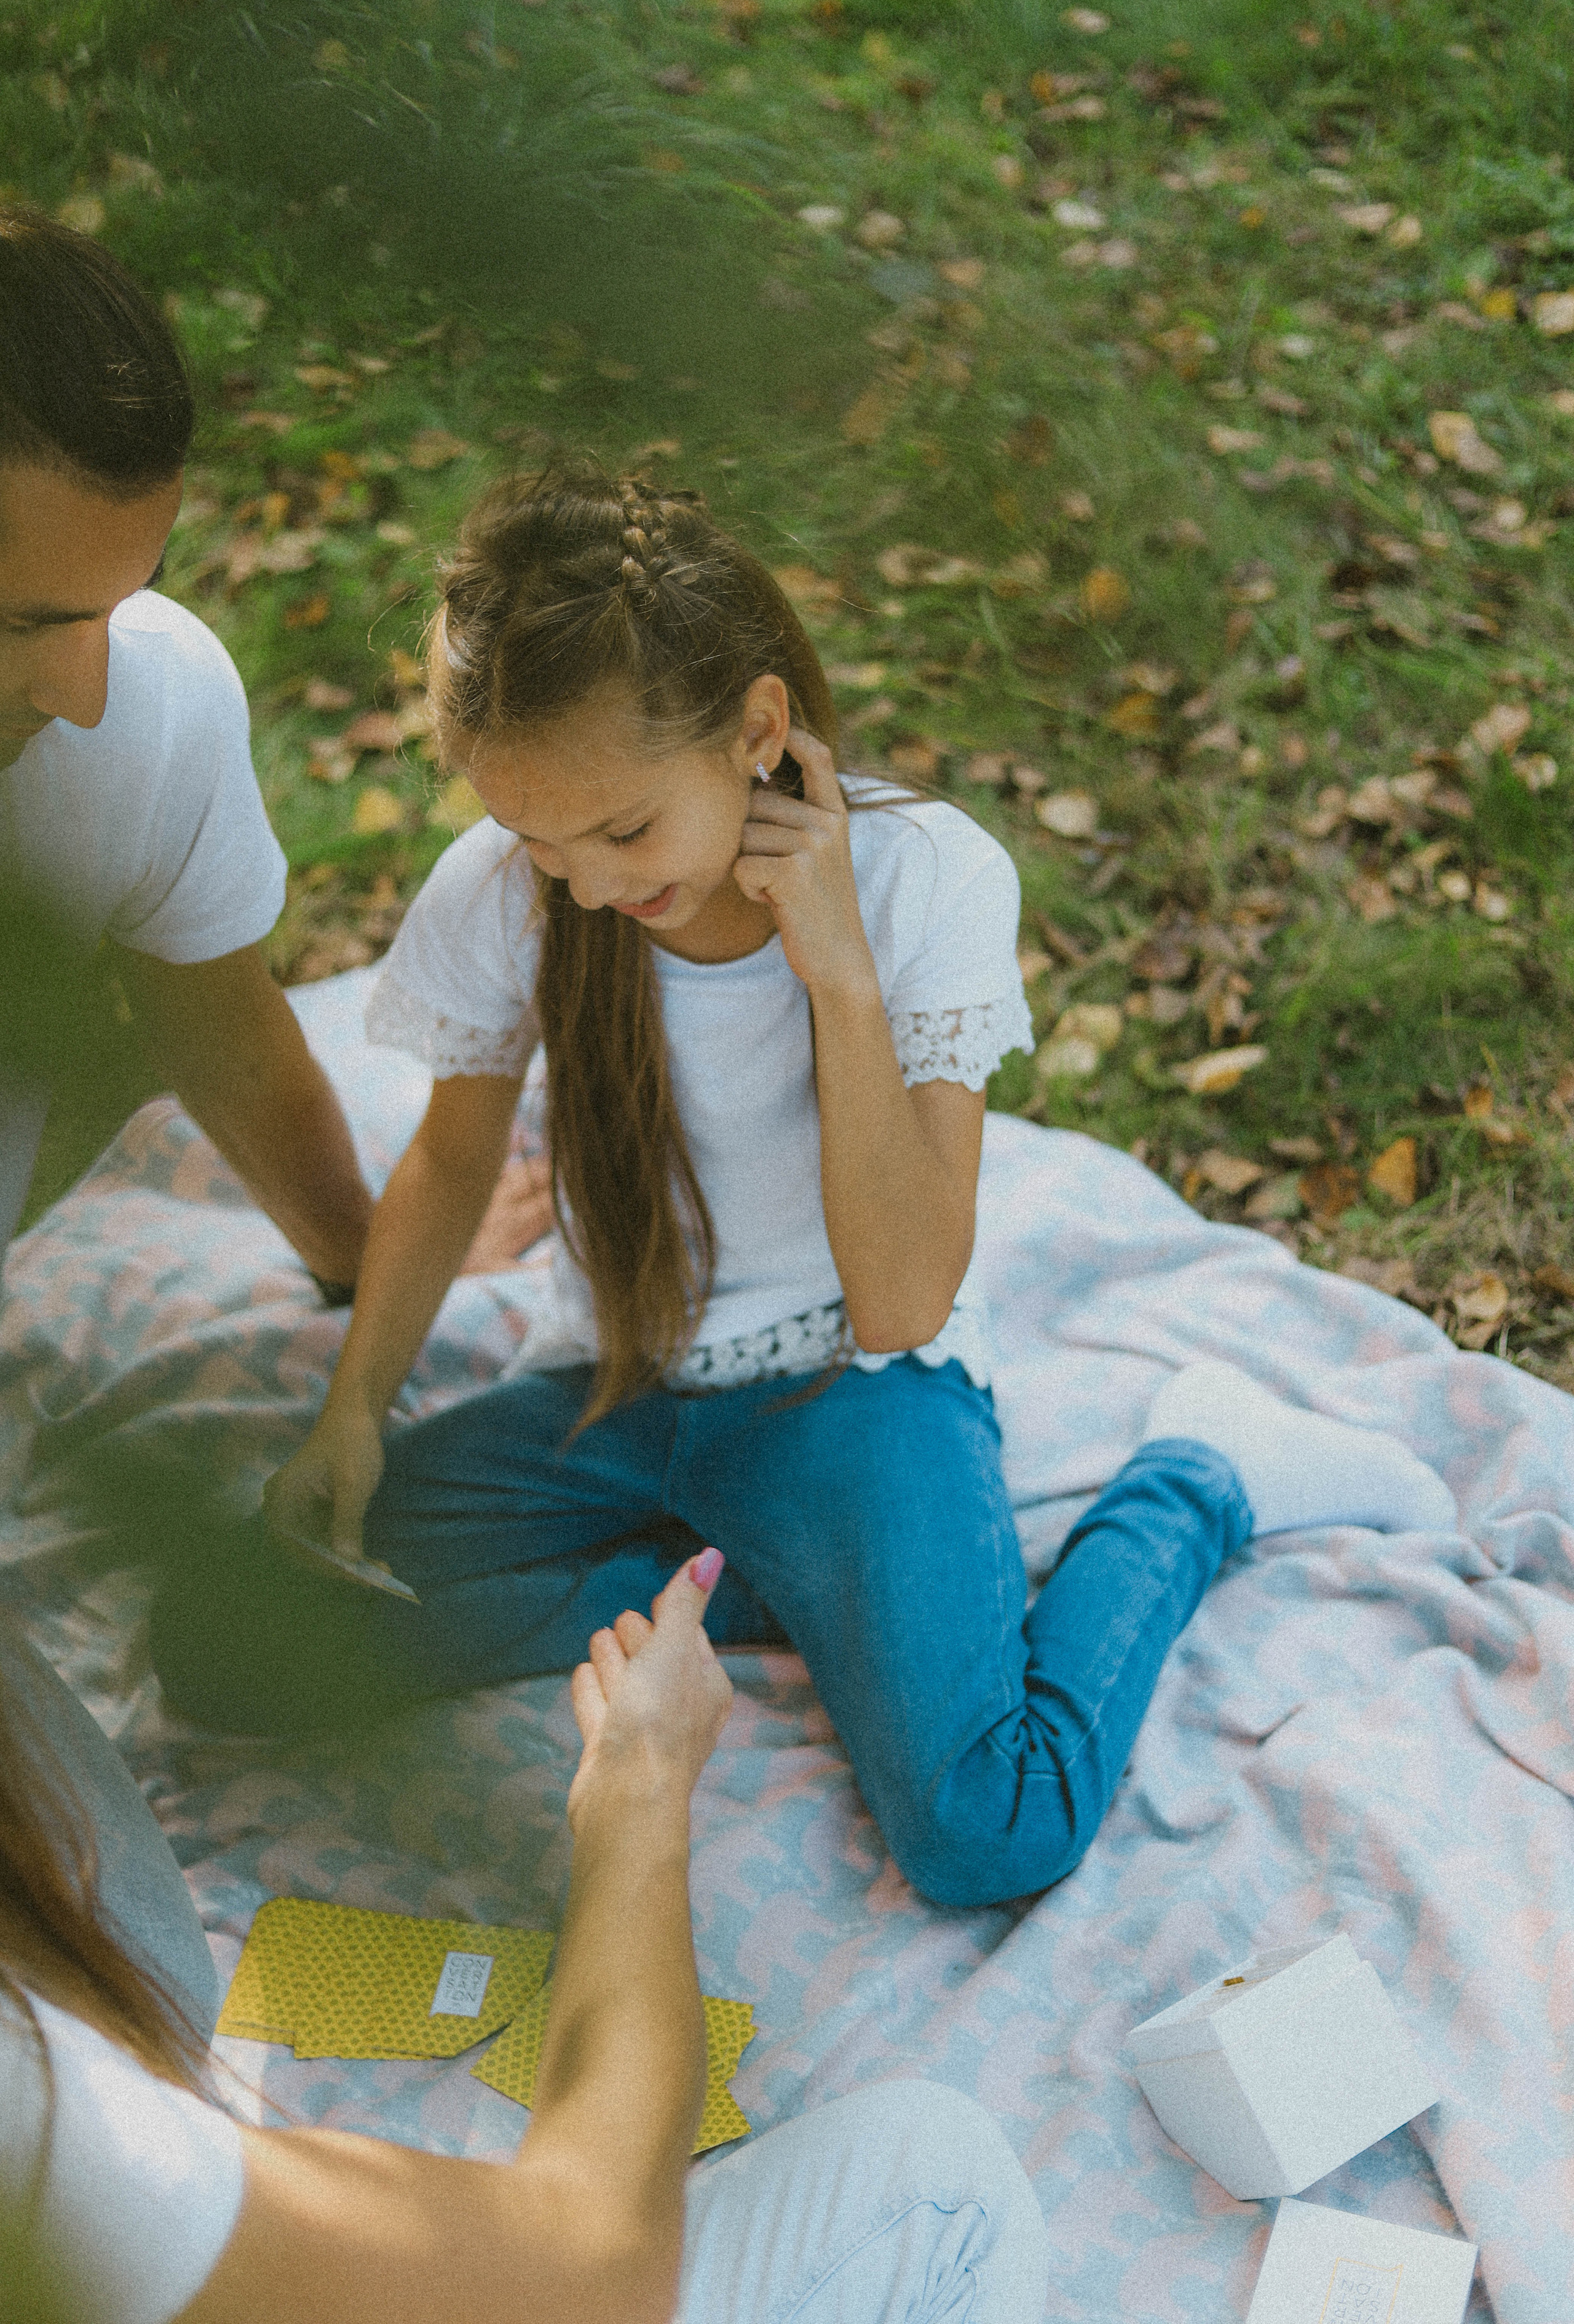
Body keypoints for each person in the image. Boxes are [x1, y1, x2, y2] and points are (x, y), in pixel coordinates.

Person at [155, 460, 1458, 1907]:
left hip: (851, 1388)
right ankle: (747, 1582)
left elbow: (903, 1302)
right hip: (619, 1385)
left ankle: (1192, 1483)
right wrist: (353, 1409)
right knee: (225, 1649)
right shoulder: (509, 891)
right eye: (538, 839)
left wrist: (831, 968)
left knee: (988, 1827)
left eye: (623, 832)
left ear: (756, 730)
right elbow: (456, 1152)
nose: (581, 884)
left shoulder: (922, 886)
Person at [1, 1553, 1053, 2324]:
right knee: (940, 2175)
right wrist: (640, 1784)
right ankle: (1191, 1482)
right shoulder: (55, 2122)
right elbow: (591, 2267)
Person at [0, 204, 547, 1285]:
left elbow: (226, 1042)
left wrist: (375, 1255)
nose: (86, 694)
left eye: (120, 601)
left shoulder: (156, 710)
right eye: (25, 623)